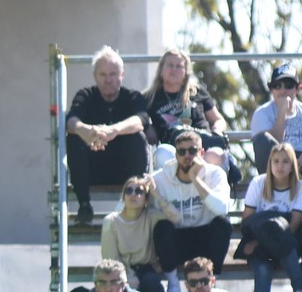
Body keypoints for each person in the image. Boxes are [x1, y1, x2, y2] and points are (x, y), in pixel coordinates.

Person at [235, 142, 302, 292]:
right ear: (269, 164)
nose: (280, 166)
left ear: (293, 164)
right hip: (259, 241)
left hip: (284, 240)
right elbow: (247, 220)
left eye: (285, 161)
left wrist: (261, 241)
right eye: (276, 161)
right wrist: (258, 241)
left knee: (284, 241)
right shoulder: (258, 183)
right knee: (261, 272)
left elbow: (293, 225)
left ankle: (301, 289)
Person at [64, 45, 149, 224]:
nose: (108, 79)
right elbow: (71, 120)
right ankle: (84, 206)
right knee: (73, 137)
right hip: (92, 170)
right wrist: (87, 131)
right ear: (95, 76)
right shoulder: (86, 95)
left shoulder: (132, 97)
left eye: (113, 74)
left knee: (137, 136)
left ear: (122, 75)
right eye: (103, 74)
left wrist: (113, 131)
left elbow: (141, 120)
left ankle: (135, 206)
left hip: (124, 171)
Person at [143, 47, 239, 184]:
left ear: (186, 71)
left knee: (217, 154)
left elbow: (218, 120)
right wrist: (148, 129)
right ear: (161, 70)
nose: (174, 69)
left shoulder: (198, 92)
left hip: (202, 147)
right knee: (162, 153)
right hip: (174, 150)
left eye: (179, 66)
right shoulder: (149, 98)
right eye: (170, 65)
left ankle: (215, 199)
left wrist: (216, 131)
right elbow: (142, 123)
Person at [152, 129, 234, 275]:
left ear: (202, 153)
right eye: (181, 152)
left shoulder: (215, 174)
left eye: (192, 150)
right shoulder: (160, 178)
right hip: (177, 239)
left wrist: (195, 178)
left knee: (223, 224)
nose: (187, 156)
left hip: (205, 240)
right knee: (162, 227)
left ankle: (210, 280)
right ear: (176, 155)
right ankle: (173, 285)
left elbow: (222, 209)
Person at [100, 174, 175, 292]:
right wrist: (127, 275)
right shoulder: (111, 221)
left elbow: (176, 218)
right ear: (123, 196)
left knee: (152, 284)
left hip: (147, 269)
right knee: (125, 289)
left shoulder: (151, 216)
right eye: (129, 191)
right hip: (122, 270)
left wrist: (156, 194)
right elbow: (111, 258)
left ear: (146, 199)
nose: (133, 194)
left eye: (139, 191)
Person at [250, 61, 302, 178]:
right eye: (277, 86)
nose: (283, 90)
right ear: (271, 89)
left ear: (298, 88)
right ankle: (270, 190)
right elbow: (266, 145)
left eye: (288, 85)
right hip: (277, 162)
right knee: (262, 140)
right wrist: (282, 112)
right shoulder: (262, 113)